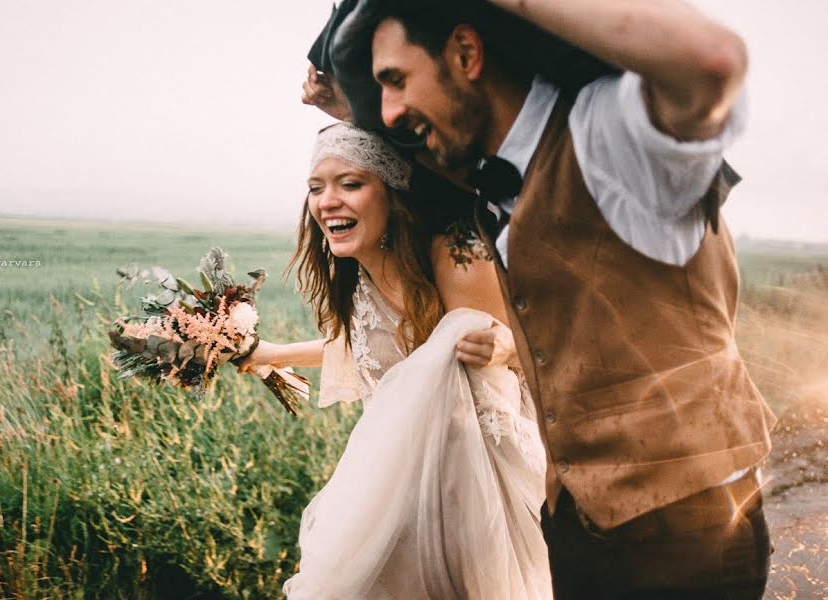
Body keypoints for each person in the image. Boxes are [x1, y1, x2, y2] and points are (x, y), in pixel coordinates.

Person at [308, 0, 779, 598]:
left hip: (687, 538)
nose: (392, 111)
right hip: (576, 527)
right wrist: (347, 109)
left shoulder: (613, 139)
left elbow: (712, 61)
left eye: (396, 81)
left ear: (466, 53)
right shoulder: (499, 175)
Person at [240, 122, 553, 599]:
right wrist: (269, 354)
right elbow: (375, 346)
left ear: (391, 192)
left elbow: (521, 344)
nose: (327, 201)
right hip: (405, 486)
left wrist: (507, 346)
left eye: (351, 183)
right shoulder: (359, 279)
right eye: (316, 188)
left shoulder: (453, 255)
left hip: (482, 491)